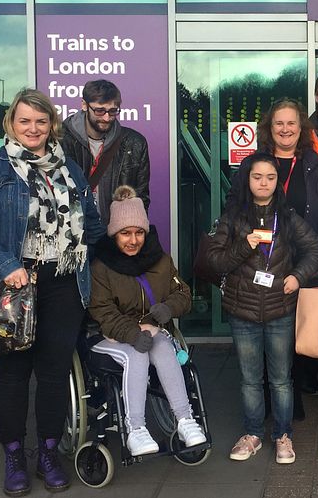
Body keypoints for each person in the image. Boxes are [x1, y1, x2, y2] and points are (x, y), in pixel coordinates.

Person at [0, 88, 105, 495]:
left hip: (62, 281)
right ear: (11, 123)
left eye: (41, 121)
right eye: (25, 120)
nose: (33, 128)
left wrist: (82, 256)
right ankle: (12, 455)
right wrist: (8, 266)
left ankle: (47, 451)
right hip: (12, 285)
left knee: (55, 374)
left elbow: (91, 221)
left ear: (51, 124)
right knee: (11, 375)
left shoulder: (69, 168)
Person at [209, 153, 318, 465]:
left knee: (281, 379)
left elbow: (316, 250)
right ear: (247, 180)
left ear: (277, 182)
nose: (264, 183)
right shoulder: (232, 218)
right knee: (249, 379)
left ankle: (283, 435)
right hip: (242, 312)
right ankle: (253, 434)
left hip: (280, 311)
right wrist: (243, 246)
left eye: (270, 177)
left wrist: (297, 277)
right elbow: (215, 261)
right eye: (257, 177)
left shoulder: (287, 217)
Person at [225, 98, 318, 409]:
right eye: (279, 124)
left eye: (292, 124)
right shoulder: (252, 164)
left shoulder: (314, 162)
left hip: (297, 259)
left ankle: (290, 398)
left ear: (302, 128)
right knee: (261, 329)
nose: (286, 129)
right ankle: (264, 402)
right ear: (270, 129)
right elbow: (233, 205)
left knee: (292, 331)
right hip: (257, 258)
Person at [87, 185, 206, 457]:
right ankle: (136, 429)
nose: (133, 240)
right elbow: (102, 311)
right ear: (114, 233)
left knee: (163, 347)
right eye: (125, 233)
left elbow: (183, 293)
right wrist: (131, 332)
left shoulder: (160, 261)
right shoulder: (101, 267)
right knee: (137, 354)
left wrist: (168, 308)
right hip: (108, 337)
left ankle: (186, 421)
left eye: (139, 232)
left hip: (152, 332)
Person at [62, 79, 150, 222]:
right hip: (73, 234)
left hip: (113, 235)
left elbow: (140, 200)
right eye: (99, 110)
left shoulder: (135, 143)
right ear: (84, 105)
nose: (107, 117)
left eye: (113, 111)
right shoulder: (60, 139)